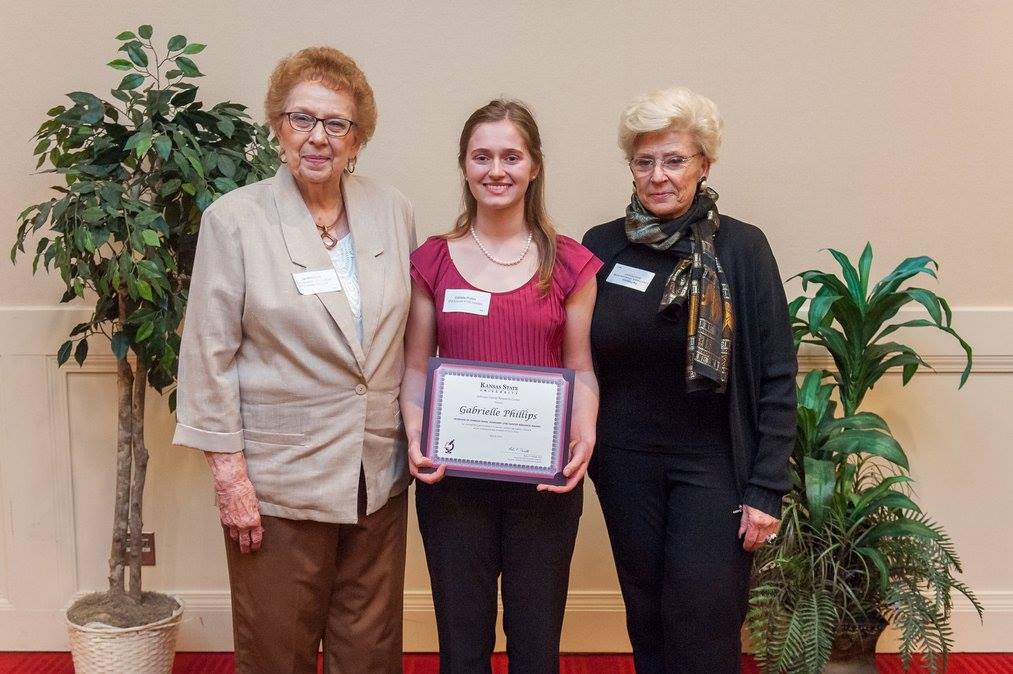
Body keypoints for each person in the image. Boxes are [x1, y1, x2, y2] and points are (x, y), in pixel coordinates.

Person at [172, 47, 415, 674]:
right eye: (301, 118)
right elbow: (207, 355)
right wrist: (230, 480)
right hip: (279, 484)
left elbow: (407, 337)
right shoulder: (235, 221)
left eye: (337, 123)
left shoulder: (392, 211)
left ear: (359, 137)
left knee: (370, 653)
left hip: (375, 475)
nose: (318, 137)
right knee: (276, 650)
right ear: (277, 126)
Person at [581, 86, 797, 673]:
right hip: (625, 465)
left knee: (703, 615)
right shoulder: (600, 246)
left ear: (704, 164)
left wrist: (766, 489)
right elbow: (576, 360)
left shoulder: (743, 248)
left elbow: (777, 373)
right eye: (645, 161)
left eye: (674, 160)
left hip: (715, 464)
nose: (659, 176)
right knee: (646, 615)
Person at [400, 99, 601, 674]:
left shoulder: (571, 265)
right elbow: (416, 368)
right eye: (481, 156)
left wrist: (584, 435)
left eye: (511, 156)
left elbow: (580, 367)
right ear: (463, 166)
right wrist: (416, 434)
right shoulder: (432, 262)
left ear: (534, 166)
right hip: (451, 479)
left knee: (536, 644)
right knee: (462, 645)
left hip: (544, 482)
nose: (497, 170)